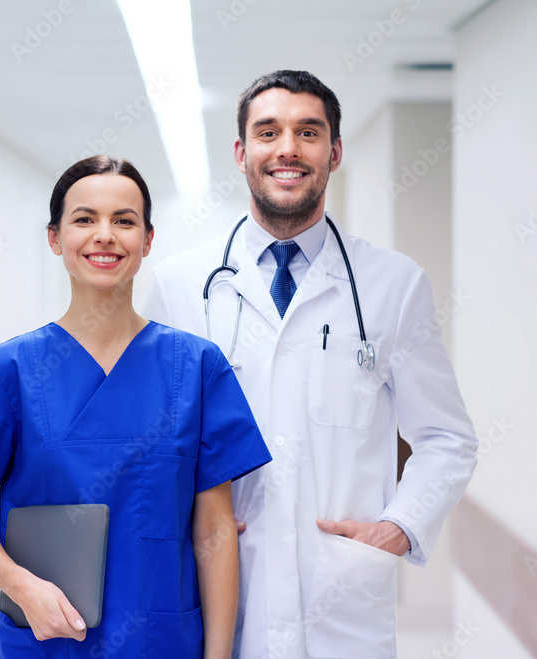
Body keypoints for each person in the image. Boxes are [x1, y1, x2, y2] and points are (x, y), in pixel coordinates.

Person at [142, 70, 479, 658]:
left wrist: (398, 527)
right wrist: (180, 518)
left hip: (341, 608)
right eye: (268, 132)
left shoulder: (393, 285)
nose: (288, 149)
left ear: (335, 151)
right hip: (220, 597)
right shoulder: (179, 287)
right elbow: (150, 441)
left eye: (309, 131)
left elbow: (446, 437)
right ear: (242, 152)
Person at [0, 155, 272, 659]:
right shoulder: (13, 369)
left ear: (148, 240)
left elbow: (215, 528)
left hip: (163, 639)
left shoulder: (197, 367)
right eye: (84, 219)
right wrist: (23, 587)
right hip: (50, 640)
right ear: (54, 238)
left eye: (124, 220)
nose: (105, 235)